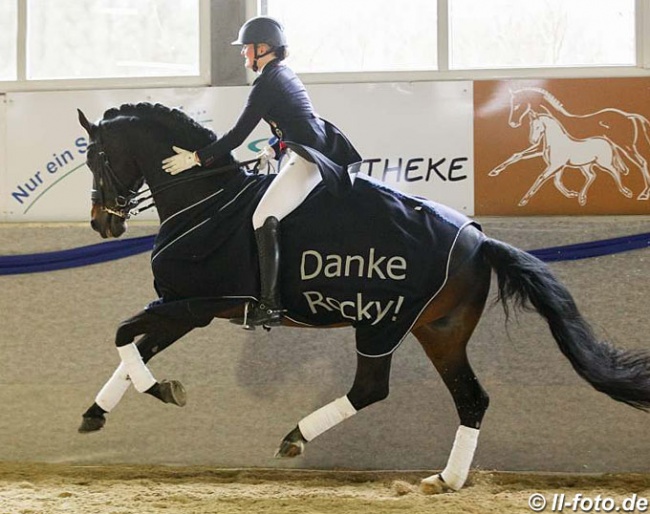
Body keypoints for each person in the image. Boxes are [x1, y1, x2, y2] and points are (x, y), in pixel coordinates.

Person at [162, 16, 361, 328]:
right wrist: (274, 147)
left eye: (247, 49)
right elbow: (296, 122)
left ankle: (269, 303)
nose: (243, 55)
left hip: (307, 159)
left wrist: (197, 158)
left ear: (264, 48)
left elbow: (237, 135)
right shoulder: (283, 75)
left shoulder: (267, 82)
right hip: (301, 151)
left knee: (261, 217)